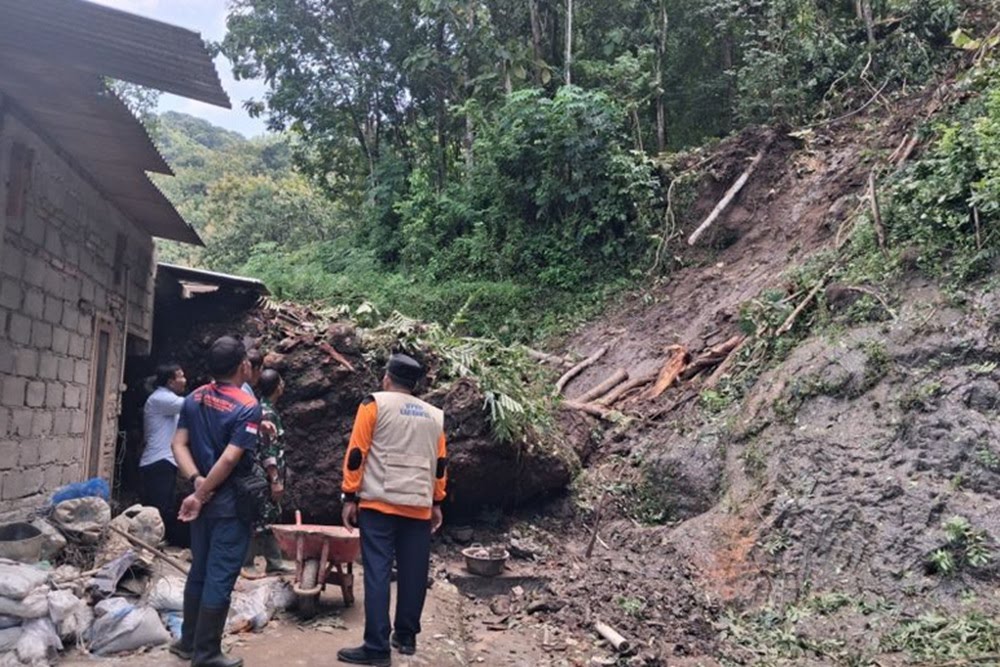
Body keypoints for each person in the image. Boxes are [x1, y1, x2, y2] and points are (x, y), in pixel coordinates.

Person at [337, 353, 448, 667]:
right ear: (414, 384)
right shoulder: (434, 415)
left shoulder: (374, 404)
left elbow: (357, 453)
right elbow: (440, 464)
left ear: (387, 378)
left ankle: (376, 647)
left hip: (379, 504)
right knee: (414, 572)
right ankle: (406, 637)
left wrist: (349, 495)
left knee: (378, 572)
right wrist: (437, 501)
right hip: (418, 506)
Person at [169, 336, 262, 667]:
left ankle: (187, 642)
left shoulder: (194, 397)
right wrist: (202, 493)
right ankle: (207, 653)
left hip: (202, 504)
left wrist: (196, 481)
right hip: (229, 505)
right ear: (243, 366)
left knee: (200, 570)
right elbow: (230, 459)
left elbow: (178, 444)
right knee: (220, 575)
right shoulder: (247, 405)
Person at [242, 369, 293, 577]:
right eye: (281, 382)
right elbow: (268, 449)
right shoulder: (266, 413)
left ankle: (274, 561)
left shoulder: (264, 408)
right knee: (259, 518)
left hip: (267, 475)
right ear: (277, 387)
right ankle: (246, 562)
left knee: (271, 516)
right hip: (263, 477)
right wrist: (274, 479)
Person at [139, 363, 186, 545]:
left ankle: (156, 544)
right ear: (170, 381)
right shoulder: (161, 398)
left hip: (163, 461)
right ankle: (151, 545)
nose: (184, 380)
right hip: (158, 461)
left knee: (162, 507)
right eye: (180, 376)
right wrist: (212, 390)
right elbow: (191, 404)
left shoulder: (166, 398)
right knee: (158, 509)